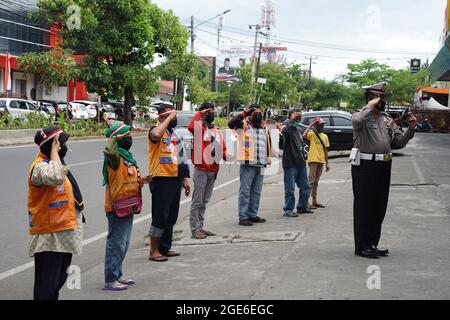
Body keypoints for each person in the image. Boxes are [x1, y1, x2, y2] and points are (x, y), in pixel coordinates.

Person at [352, 82, 417, 259]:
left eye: (383, 98)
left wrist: (411, 128)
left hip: (384, 166)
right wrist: (370, 105)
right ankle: (362, 246)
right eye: (379, 98)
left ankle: (372, 243)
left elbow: (398, 143)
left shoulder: (387, 119)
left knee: (379, 206)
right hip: (365, 167)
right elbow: (358, 120)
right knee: (364, 206)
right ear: (370, 99)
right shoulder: (360, 117)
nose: (383, 101)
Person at [28, 126, 84, 300]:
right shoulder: (38, 168)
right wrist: (54, 151)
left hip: (62, 233)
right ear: (51, 145)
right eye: (60, 143)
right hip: (49, 237)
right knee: (46, 286)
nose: (63, 147)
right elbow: (55, 177)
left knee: (57, 282)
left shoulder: (55, 163)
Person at [102, 122, 146, 291]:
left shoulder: (127, 157)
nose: (131, 138)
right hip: (116, 207)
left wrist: (143, 180)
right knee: (116, 243)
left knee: (124, 243)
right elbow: (109, 150)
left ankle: (118, 274)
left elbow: (125, 181)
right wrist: (113, 136)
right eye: (127, 136)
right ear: (119, 139)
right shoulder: (114, 158)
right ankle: (111, 279)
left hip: (128, 205)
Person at [147, 105, 191, 261]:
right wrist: (167, 118)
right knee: (160, 216)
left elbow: (180, 158)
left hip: (175, 180)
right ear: (161, 117)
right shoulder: (156, 131)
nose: (174, 117)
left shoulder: (174, 135)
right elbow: (156, 134)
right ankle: (154, 250)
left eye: (175, 114)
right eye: (171, 115)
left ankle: (165, 247)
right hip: (161, 179)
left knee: (171, 217)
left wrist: (184, 179)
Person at [188, 102, 230, 239]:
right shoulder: (199, 128)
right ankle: (195, 229)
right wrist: (201, 113)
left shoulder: (216, 130)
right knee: (197, 201)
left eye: (212, 111)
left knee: (205, 201)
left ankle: (200, 226)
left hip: (213, 170)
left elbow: (222, 147)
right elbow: (190, 126)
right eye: (208, 112)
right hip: (201, 169)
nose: (211, 114)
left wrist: (226, 155)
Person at [228, 103, 275, 226]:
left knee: (256, 191)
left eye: (259, 113)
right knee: (245, 191)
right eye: (255, 113)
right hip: (248, 164)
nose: (258, 115)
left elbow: (267, 144)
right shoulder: (244, 125)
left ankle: (252, 214)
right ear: (250, 114)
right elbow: (230, 124)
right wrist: (244, 113)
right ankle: (243, 216)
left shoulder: (264, 127)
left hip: (261, 163)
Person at [280, 109, 312, 217]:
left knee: (305, 187)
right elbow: (285, 128)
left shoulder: (298, 130)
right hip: (290, 163)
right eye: (296, 116)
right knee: (290, 189)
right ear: (290, 117)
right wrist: (291, 118)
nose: (298, 118)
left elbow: (301, 144)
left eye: (299, 117)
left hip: (300, 163)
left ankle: (302, 207)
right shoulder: (287, 129)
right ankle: (288, 209)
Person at [303, 117, 330, 209]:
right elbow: (303, 135)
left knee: (316, 182)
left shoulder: (325, 136)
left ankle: (314, 201)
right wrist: (310, 125)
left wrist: (327, 163)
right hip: (313, 160)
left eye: (322, 125)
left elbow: (325, 150)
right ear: (316, 125)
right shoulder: (312, 134)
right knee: (311, 182)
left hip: (321, 160)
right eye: (320, 125)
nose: (322, 126)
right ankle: (305, 202)